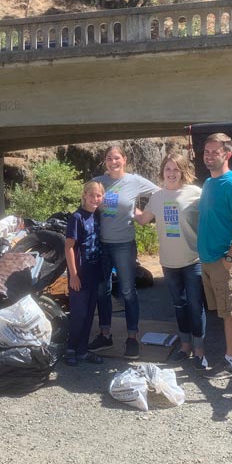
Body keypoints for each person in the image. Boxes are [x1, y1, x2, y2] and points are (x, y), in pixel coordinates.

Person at [137, 152, 208, 370]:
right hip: (168, 262)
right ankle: (184, 346)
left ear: (183, 171)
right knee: (179, 305)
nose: (171, 173)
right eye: (167, 169)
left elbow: (212, 218)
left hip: (193, 259)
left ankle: (199, 351)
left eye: (176, 169)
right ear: (162, 172)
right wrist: (122, 204)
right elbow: (142, 220)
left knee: (196, 306)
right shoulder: (157, 197)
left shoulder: (196, 193)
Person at [89, 145, 158, 359]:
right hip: (101, 245)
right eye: (109, 158)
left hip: (123, 245)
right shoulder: (100, 181)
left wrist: (140, 214)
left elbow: (158, 192)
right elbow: (88, 201)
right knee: (102, 290)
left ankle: (132, 338)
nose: (113, 162)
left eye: (116, 158)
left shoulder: (134, 181)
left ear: (124, 160)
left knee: (128, 291)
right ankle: (105, 334)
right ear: (105, 162)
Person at [197, 133, 232, 380]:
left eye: (215, 152)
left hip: (226, 262)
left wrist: (230, 258)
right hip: (210, 261)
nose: (209, 156)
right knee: (229, 312)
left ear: (227, 154)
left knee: (230, 314)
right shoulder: (209, 183)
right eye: (206, 152)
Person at [64, 181, 105, 366]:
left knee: (89, 313)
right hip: (79, 274)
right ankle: (70, 349)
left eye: (98, 196)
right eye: (91, 195)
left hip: (94, 272)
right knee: (78, 314)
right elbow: (69, 247)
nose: (95, 199)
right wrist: (73, 275)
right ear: (84, 195)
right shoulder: (77, 217)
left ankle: (82, 350)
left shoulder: (97, 216)